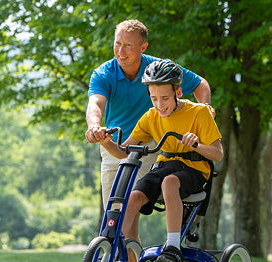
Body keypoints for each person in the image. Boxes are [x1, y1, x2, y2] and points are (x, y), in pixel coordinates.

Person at [85, 19, 214, 242]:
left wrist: (204, 109)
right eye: (117, 44)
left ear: (143, 47)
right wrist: (95, 127)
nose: (120, 51)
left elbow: (200, 84)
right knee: (114, 214)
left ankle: (137, 259)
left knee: (131, 207)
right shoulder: (103, 73)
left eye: (128, 45)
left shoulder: (158, 69)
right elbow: (95, 103)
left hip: (152, 145)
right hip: (116, 145)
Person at [99, 60, 223, 262]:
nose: (160, 105)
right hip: (165, 166)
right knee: (135, 195)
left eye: (165, 98)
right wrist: (106, 142)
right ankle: (111, 246)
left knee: (169, 182)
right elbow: (123, 152)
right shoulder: (150, 117)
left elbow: (218, 154)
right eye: (154, 98)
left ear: (179, 92)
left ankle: (172, 247)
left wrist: (197, 145)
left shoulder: (199, 112)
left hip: (195, 169)